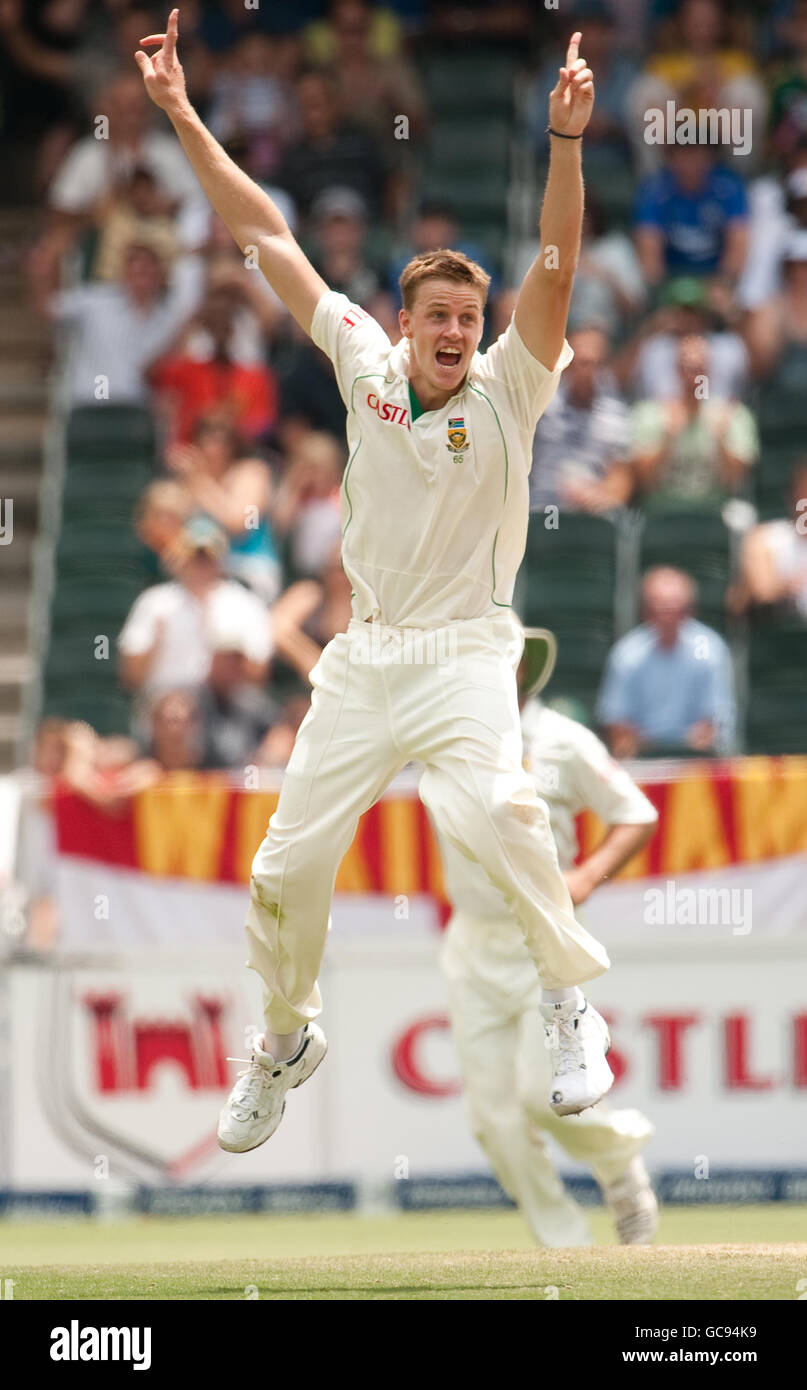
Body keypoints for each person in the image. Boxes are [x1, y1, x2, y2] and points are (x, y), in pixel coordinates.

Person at [136, 15, 612, 1154]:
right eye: (437, 317)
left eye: (468, 318)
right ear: (403, 324)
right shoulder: (362, 358)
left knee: (503, 808)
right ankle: (286, 1037)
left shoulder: (512, 384)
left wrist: (562, 143)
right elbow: (263, 231)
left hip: (465, 649)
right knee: (285, 867)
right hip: (365, 654)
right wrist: (180, 113)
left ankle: (568, 1001)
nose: (455, 332)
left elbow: (556, 263)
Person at [437, 631, 658, 1247]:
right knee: (491, 1120)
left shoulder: (560, 738)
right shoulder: (442, 734)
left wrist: (588, 873)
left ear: (520, 670)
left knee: (543, 1096)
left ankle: (619, 1167)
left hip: (544, 940)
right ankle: (565, 1249)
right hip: (472, 941)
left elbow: (634, 812)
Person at [117, 517, 273, 700]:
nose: (201, 565)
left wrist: (227, 657)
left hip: (225, 707)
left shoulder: (246, 604)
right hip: (164, 706)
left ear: (220, 560)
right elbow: (130, 679)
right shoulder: (154, 602)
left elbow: (258, 676)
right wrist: (157, 642)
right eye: (194, 557)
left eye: (207, 558)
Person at [597, 567, 736, 758]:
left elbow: (714, 724)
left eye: (676, 609)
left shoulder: (709, 650)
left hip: (696, 763)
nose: (668, 617)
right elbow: (617, 725)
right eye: (660, 609)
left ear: (690, 610)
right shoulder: (627, 654)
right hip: (642, 762)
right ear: (646, 612)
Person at [630, 334, 758, 509]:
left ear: (710, 371)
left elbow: (734, 483)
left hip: (715, 508)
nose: (694, 376)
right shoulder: (649, 413)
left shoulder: (733, 415)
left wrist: (720, 439)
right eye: (688, 368)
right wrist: (667, 437)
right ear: (676, 370)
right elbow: (644, 483)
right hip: (664, 509)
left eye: (700, 368)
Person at [528, 325, 632, 514]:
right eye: (579, 362)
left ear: (604, 365)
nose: (585, 371)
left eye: (592, 363)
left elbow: (621, 477)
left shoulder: (616, 414)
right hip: (540, 510)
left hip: (592, 515)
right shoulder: (541, 405)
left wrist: (600, 496)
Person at [737, 461, 807, 621]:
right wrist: (786, 587)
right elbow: (762, 594)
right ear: (794, 496)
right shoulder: (765, 538)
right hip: (781, 639)